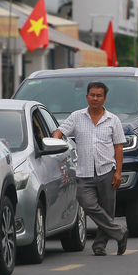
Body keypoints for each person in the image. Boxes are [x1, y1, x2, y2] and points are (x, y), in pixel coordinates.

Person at [53, 81, 129, 256]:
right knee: (87, 204)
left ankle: (99, 245)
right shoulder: (77, 116)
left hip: (107, 171)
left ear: (104, 98)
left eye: (99, 95)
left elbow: (118, 147)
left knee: (107, 210)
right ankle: (119, 232)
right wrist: (55, 141)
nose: (95, 98)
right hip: (84, 172)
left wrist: (118, 172)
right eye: (92, 95)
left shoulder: (113, 120)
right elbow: (60, 131)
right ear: (87, 97)